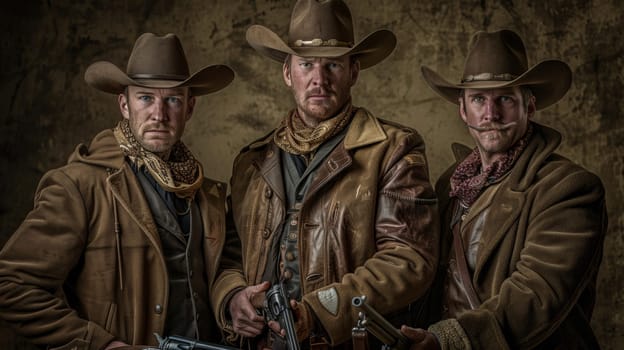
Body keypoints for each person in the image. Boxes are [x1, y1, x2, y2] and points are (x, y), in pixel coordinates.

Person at [210, 1, 439, 349]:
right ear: (288, 73)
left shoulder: (393, 149)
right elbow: (229, 254)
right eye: (306, 65)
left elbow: (409, 259)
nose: (319, 79)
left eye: (333, 64)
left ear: (354, 72)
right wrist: (232, 297)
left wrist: (321, 312)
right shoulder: (252, 162)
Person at [0, 33, 234, 350]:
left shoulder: (209, 195)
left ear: (189, 108)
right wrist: (102, 345)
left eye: (173, 100)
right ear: (124, 105)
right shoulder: (79, 186)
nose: (159, 114)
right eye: (146, 98)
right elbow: (10, 284)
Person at [399, 29, 608, 349]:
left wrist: (449, 340)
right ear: (463, 110)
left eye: (505, 99)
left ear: (530, 106)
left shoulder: (569, 189)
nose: (491, 114)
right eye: (479, 99)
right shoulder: (451, 184)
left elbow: (538, 294)